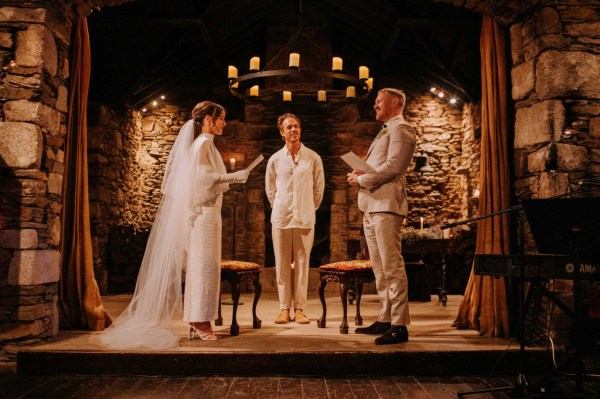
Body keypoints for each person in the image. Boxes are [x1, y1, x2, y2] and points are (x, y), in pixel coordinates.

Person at [100, 101, 249, 348]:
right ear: (209, 120)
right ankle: (201, 321)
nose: (224, 123)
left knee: (204, 266)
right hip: (204, 215)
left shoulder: (203, 145)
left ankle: (198, 318)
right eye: (221, 118)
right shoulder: (203, 144)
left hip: (208, 214)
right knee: (204, 267)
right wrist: (235, 176)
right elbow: (203, 180)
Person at [347, 88, 416, 345]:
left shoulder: (402, 128)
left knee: (391, 265)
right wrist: (361, 170)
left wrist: (363, 178)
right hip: (371, 205)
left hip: (387, 205)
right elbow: (382, 165)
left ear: (395, 102)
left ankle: (400, 324)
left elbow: (395, 165)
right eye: (375, 101)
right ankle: (385, 317)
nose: (375, 105)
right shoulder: (385, 130)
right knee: (379, 268)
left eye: (379, 101)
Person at [265, 113, 324, 325]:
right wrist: (281, 206)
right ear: (282, 132)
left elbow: (319, 189)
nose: (293, 130)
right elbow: (270, 190)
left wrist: (307, 207)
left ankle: (300, 309)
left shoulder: (313, 158)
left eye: (296, 126)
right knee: (281, 265)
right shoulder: (275, 160)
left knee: (302, 264)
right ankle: (283, 309)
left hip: (305, 219)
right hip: (281, 218)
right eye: (289, 127)